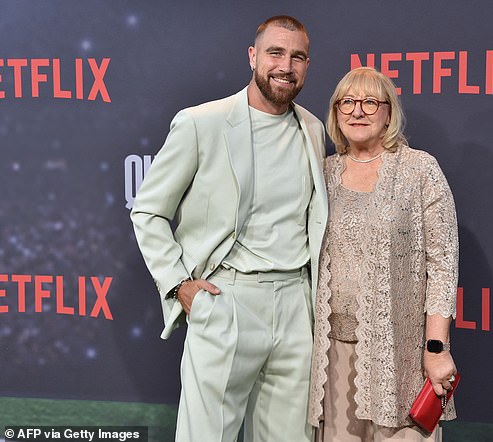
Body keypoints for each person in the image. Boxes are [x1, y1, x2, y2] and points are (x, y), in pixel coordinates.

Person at [130, 15, 327, 442]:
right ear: (253, 56)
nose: (285, 66)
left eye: (297, 57)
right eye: (275, 52)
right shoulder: (202, 122)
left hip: (296, 306)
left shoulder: (313, 128)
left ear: (308, 65)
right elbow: (147, 211)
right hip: (227, 299)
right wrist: (180, 284)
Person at [308, 67, 459, 441]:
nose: (357, 111)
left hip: (401, 357)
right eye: (348, 102)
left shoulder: (420, 170)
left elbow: (442, 266)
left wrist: (437, 349)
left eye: (370, 102)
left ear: (388, 112)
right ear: (335, 112)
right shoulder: (321, 173)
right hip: (332, 358)